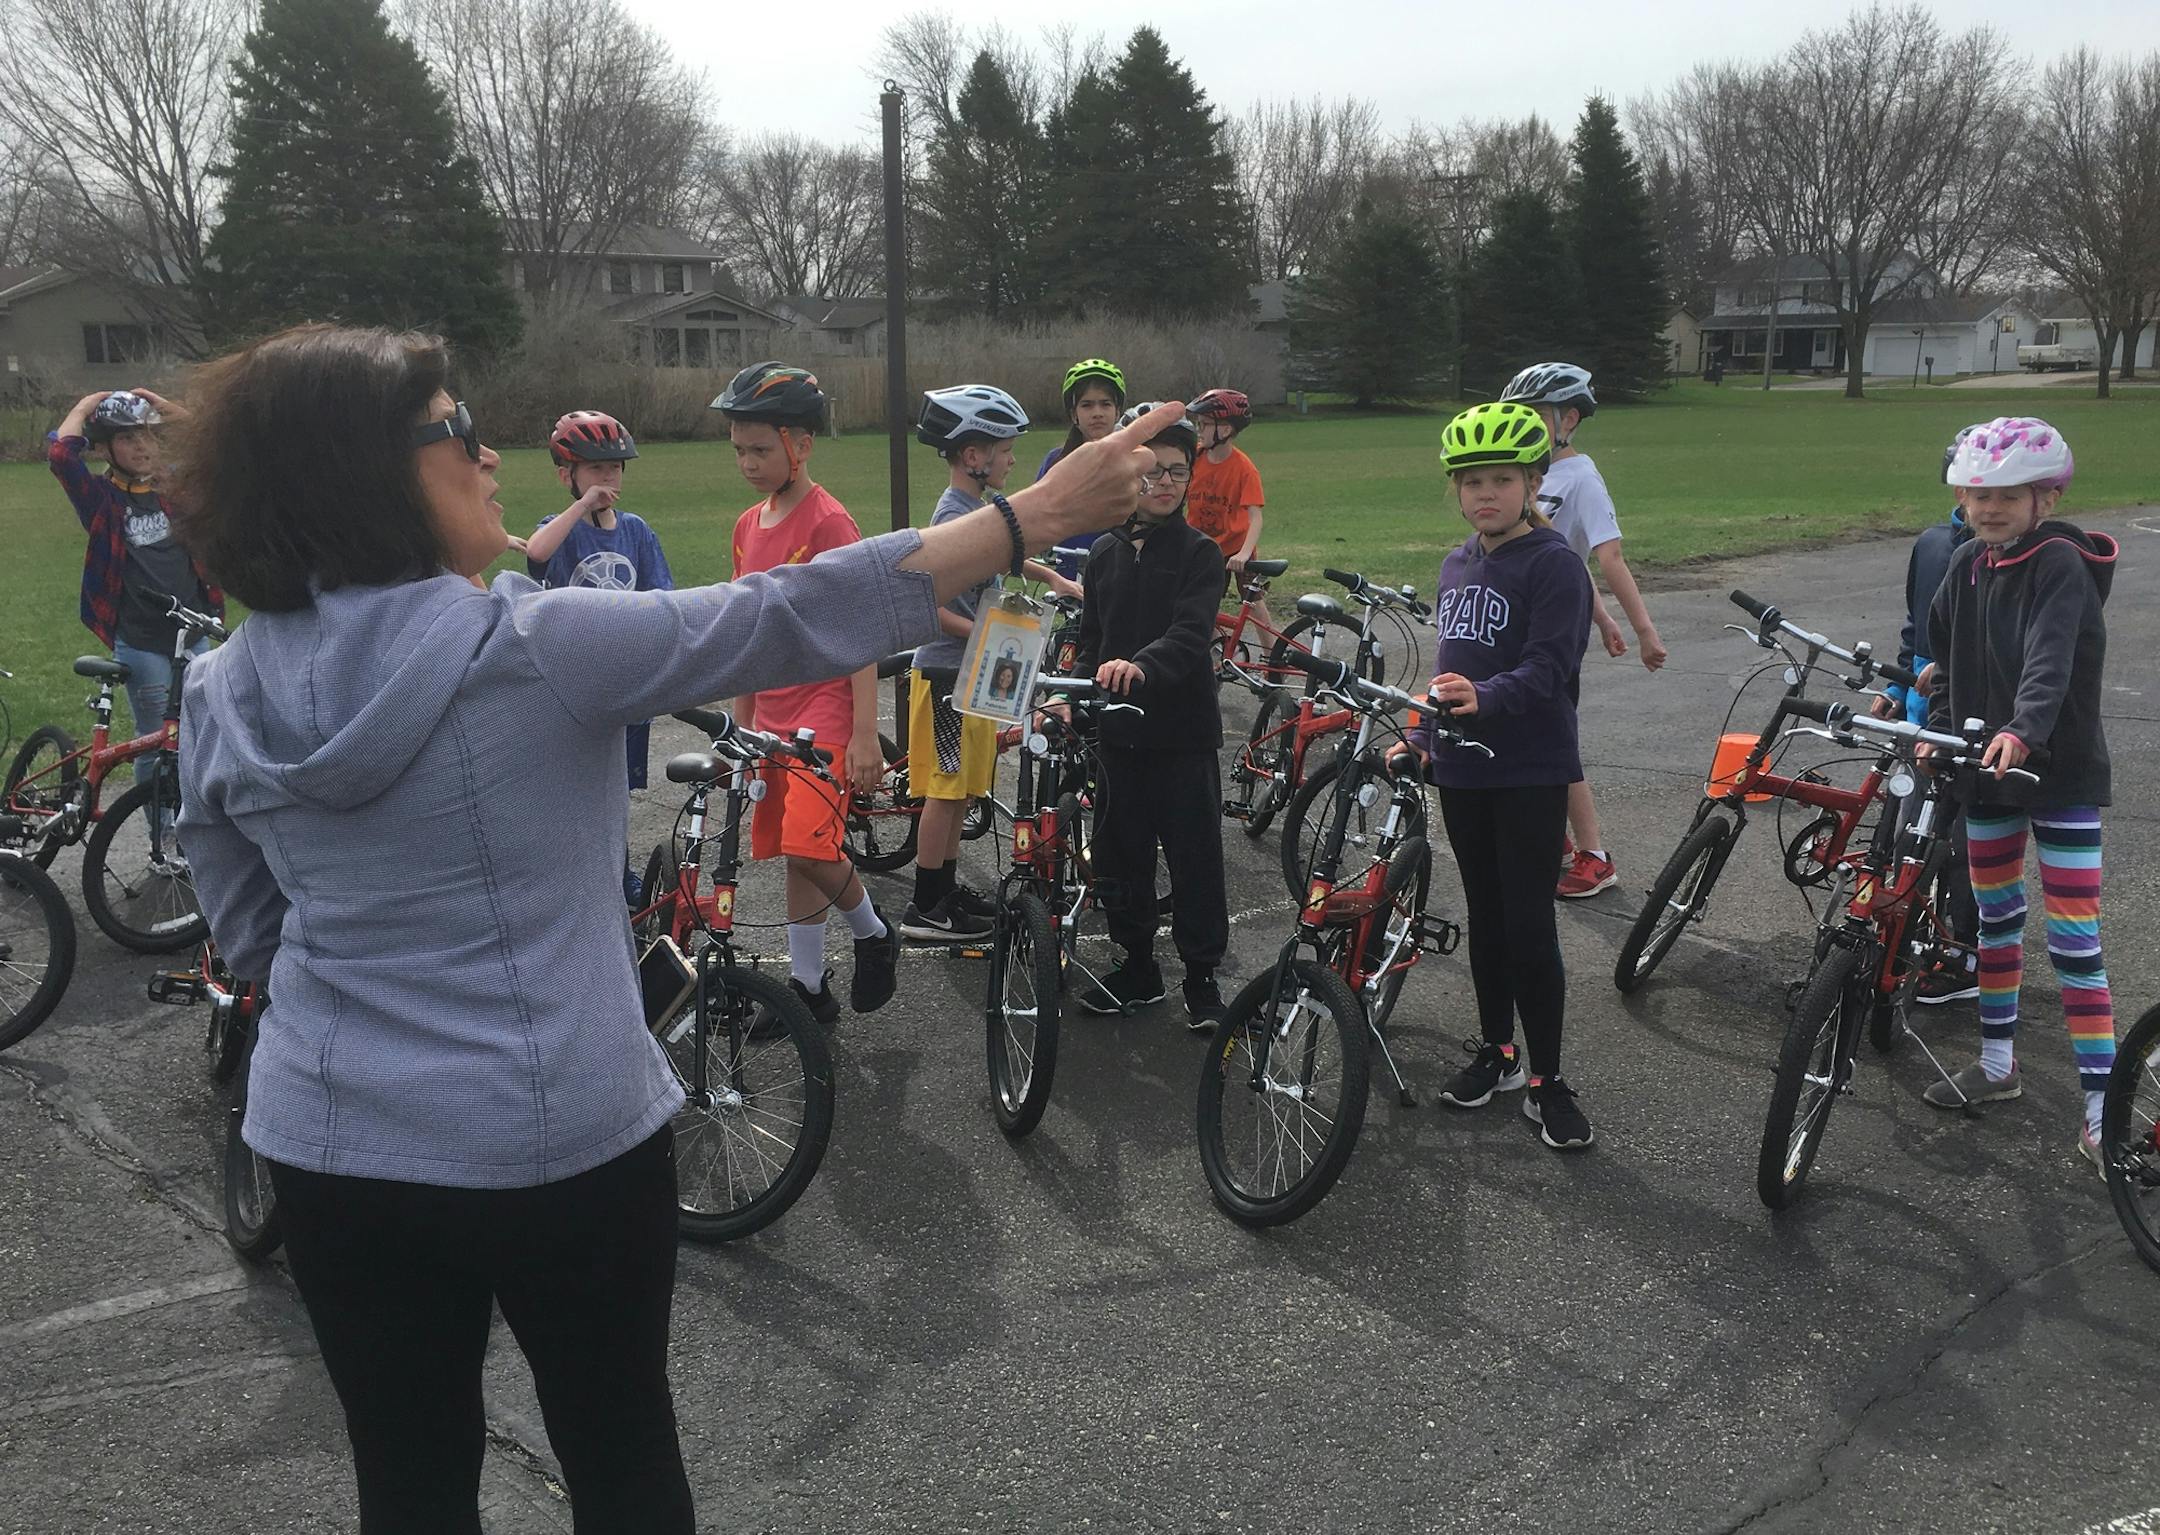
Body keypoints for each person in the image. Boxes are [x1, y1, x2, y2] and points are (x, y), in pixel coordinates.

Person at [171, 323, 1171, 1533]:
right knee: (622, 1461)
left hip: (331, 1137)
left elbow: (251, 929)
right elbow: (789, 614)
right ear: (368, 474)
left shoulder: (220, 687)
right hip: (561, 1137)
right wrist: (1037, 511)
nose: (491, 457)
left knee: (409, 1478)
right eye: (456, 432)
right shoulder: (535, 644)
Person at [1916, 416, 2119, 1177]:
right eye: (1974, 492)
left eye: (2005, 494)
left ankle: (2103, 1109)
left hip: (2055, 771)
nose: (1987, 506)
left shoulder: (2059, 563)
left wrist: (2024, 730)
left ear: (2046, 494)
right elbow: (1945, 656)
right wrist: (1938, 729)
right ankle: (1998, 1064)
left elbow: (2050, 656)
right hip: (1983, 769)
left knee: (2074, 940)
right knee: (1996, 918)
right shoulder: (1966, 564)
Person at [1400, 401, 1596, 1151]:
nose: (1486, 494)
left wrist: (1489, 698)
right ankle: (1498, 1051)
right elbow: (1450, 666)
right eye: (1472, 481)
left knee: (1528, 922)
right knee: (1485, 916)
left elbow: (1550, 668)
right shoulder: (1458, 562)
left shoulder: (1555, 566)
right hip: (1463, 769)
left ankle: (1547, 1078)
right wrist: (1421, 732)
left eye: (1502, 480)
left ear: (1533, 481)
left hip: (1529, 766)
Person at [716, 361, 898, 1023]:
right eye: (739, 450)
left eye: (761, 449)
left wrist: (862, 732)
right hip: (770, 712)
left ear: (803, 443)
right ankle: (808, 989)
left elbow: (860, 632)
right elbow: (746, 635)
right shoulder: (745, 527)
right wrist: (736, 727)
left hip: (824, 709)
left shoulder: (829, 523)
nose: (748, 462)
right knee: (795, 851)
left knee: (808, 843)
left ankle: (876, 933)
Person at [901, 384, 1082, 943]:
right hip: (946, 674)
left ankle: (946, 887)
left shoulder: (972, 510)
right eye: (1004, 449)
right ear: (973, 456)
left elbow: (1001, 549)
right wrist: (986, 633)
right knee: (945, 790)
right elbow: (925, 605)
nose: (1011, 459)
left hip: (969, 674)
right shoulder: (950, 515)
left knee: (962, 791)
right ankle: (926, 905)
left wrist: (1049, 576)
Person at [1072, 402, 1232, 1032]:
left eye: (1177, 471)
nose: (1164, 482)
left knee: (1194, 861)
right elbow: (1090, 637)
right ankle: (1137, 967)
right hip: (1119, 736)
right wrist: (1075, 690)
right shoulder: (1104, 556)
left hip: (1181, 735)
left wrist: (1138, 666)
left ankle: (1201, 978)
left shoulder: (1200, 554)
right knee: (1121, 857)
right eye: (1151, 472)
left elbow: (1190, 634)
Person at [1497, 363, 1667, 900]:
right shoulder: (1529, 474)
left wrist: (1643, 630)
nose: (1519, 424)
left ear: (1568, 418)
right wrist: (1605, 618)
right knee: (1519, 734)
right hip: (1517, 624)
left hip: (1551, 630)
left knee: (1553, 742)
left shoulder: (1582, 479)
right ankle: (1561, 843)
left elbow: (1606, 556)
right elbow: (1560, 553)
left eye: (1532, 415)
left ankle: (1594, 855)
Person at [525, 410, 674, 901]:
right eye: (594, 469)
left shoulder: (635, 530)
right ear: (566, 476)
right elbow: (539, 553)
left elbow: (662, 596)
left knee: (614, 792)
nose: (607, 478)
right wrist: (581, 506)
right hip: (569, 682)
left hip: (624, 680)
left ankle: (618, 868)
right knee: (571, 786)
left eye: (614, 468)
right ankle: (569, 874)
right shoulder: (558, 526)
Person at [1869, 424, 1983, 1004]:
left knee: (1957, 844)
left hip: (1968, 724)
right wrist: (1895, 681)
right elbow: (1917, 627)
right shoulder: (1933, 544)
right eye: (1967, 486)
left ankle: (1965, 954)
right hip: (1917, 716)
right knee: (1898, 834)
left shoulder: (2000, 558)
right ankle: (1890, 937)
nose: (1977, 498)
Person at [49, 388, 221, 742]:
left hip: (193, 631)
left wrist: (170, 410)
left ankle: (189, 798)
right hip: (142, 639)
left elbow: (217, 444)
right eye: (128, 438)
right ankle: (152, 799)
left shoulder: (174, 486)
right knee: (154, 735)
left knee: (202, 730)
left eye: (148, 436)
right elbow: (62, 457)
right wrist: (84, 406)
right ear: (103, 448)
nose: (142, 446)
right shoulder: (100, 499)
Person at [1040, 358, 1127, 581]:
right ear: (1073, 414)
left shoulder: (1133, 462)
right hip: (1070, 577)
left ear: (1118, 411)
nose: (1097, 412)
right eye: (1087, 405)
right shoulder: (1055, 461)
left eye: (1105, 404)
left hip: (1119, 575)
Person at [1184, 387, 1264, 577]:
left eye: (1205, 424)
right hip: (1202, 544)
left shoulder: (1244, 469)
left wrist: (1244, 554)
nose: (1199, 430)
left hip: (1237, 546)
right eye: (1198, 424)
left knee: (1252, 601)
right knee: (1201, 599)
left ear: (1226, 429)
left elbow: (1255, 518)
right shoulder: (1193, 457)